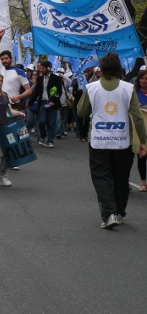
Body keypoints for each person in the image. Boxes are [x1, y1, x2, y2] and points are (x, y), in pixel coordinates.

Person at [77, 52, 147, 229]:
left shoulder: (91, 88)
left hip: (99, 142)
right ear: (119, 68)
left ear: (101, 68)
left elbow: (80, 111)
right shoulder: (128, 88)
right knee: (121, 177)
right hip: (122, 141)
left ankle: (109, 214)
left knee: (101, 176)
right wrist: (143, 141)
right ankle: (119, 212)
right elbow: (138, 117)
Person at [27, 60, 63, 148]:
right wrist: (30, 102)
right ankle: (43, 135)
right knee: (41, 121)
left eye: (43, 68)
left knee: (51, 123)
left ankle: (50, 140)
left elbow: (59, 91)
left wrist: (53, 101)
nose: (41, 70)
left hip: (52, 104)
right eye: (40, 68)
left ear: (48, 69)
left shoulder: (56, 78)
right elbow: (36, 93)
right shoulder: (39, 79)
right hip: (42, 103)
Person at [133, 69, 147, 192]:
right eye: (142, 78)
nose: (144, 81)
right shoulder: (135, 93)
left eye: (146, 79)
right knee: (141, 155)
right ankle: (143, 182)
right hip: (139, 129)